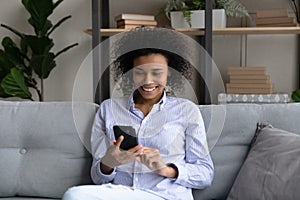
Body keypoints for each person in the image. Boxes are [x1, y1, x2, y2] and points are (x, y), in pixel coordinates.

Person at [63, 27, 214, 200]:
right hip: (121, 194)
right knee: (73, 195)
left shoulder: (187, 111)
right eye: (140, 72)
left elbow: (205, 174)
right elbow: (98, 178)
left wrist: (166, 169)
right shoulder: (109, 109)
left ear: (169, 73)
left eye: (157, 72)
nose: (148, 80)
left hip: (164, 196)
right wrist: (108, 163)